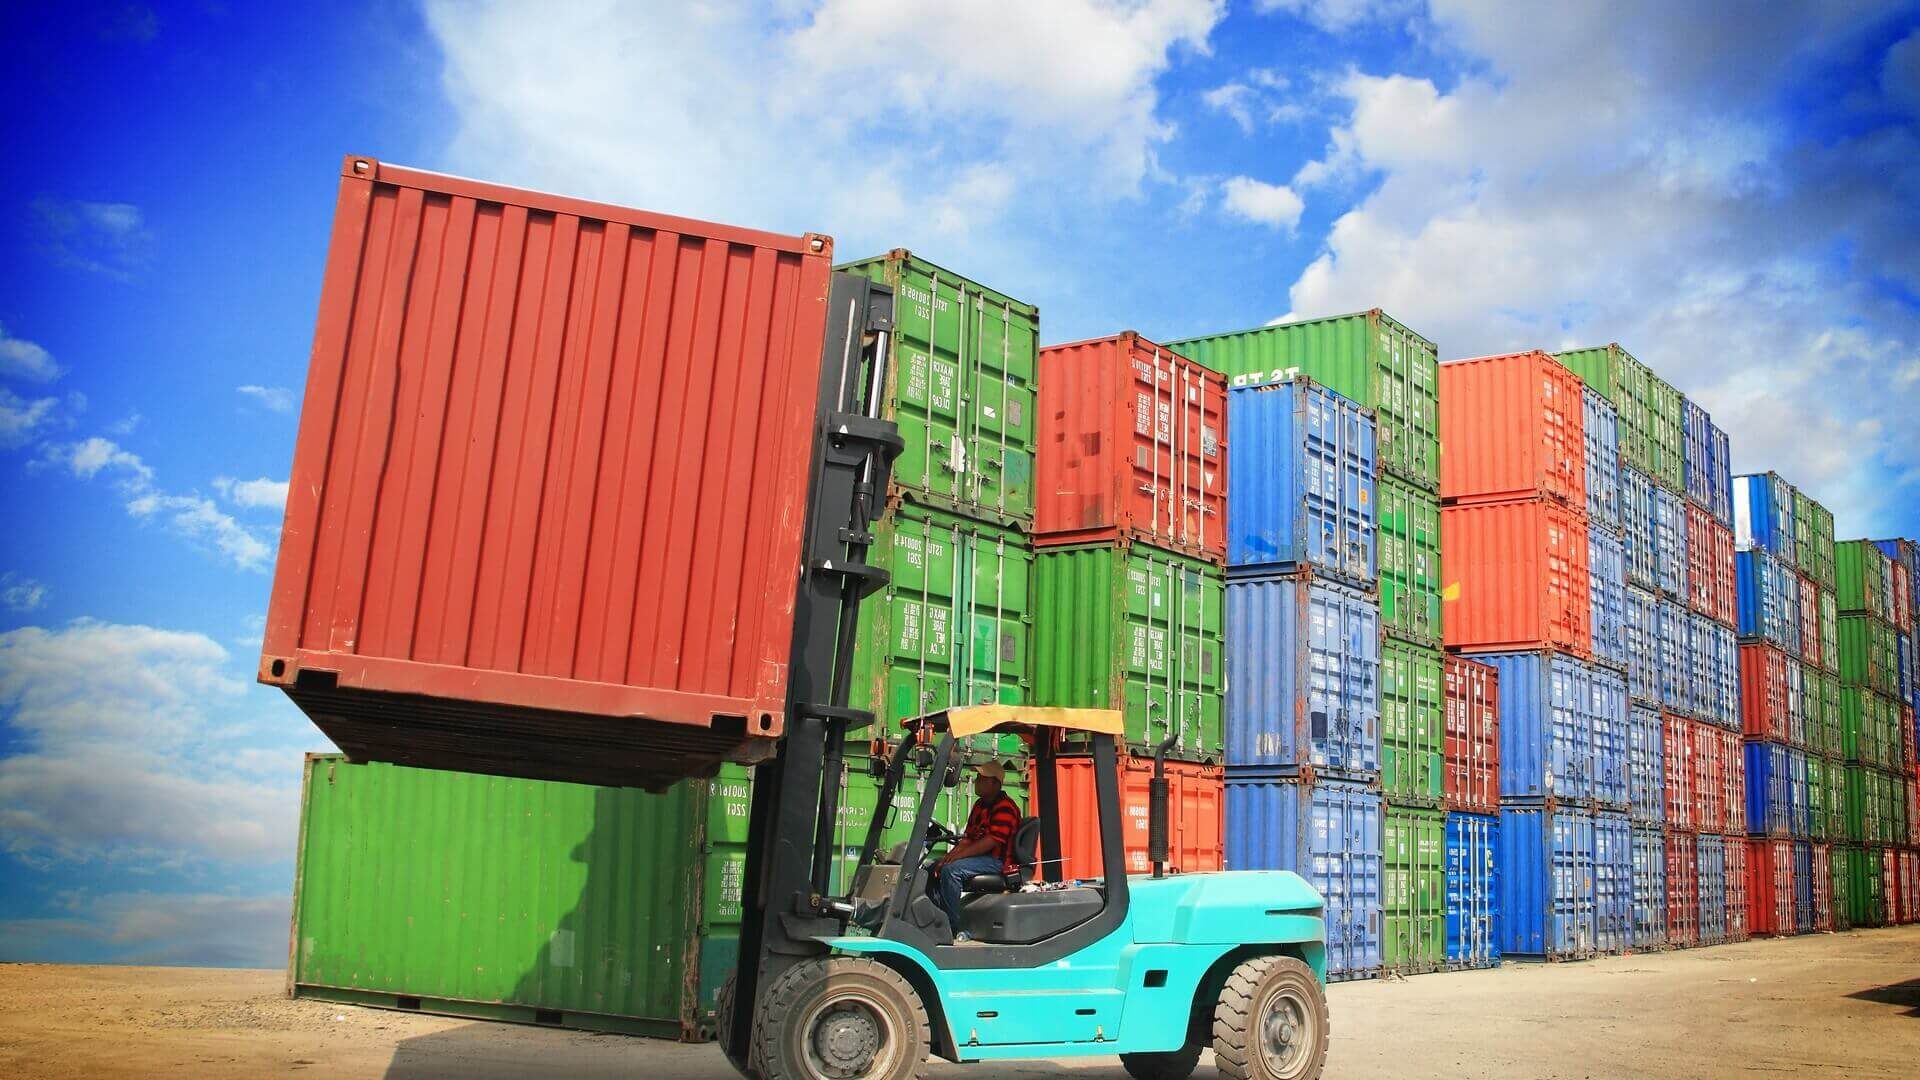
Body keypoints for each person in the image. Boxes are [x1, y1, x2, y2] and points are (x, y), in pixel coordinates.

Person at [927, 759, 1022, 942]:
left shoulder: (1005, 807)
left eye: (981, 778)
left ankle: (952, 927)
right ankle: (936, 919)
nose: (976, 781)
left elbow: (991, 841)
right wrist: (948, 857)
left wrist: (956, 859)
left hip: (998, 861)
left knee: (952, 871)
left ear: (994, 783)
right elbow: (969, 837)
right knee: (933, 867)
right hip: (980, 858)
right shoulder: (980, 805)